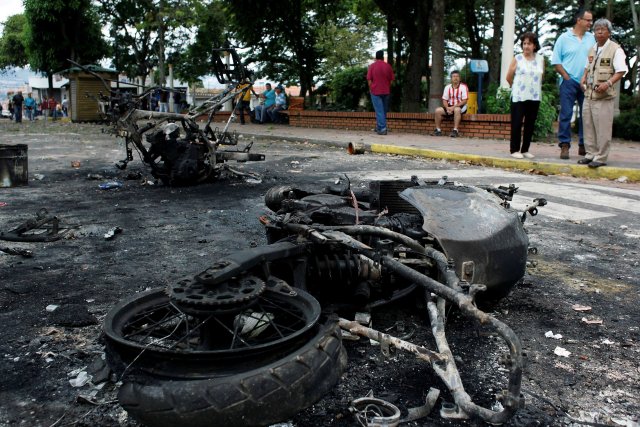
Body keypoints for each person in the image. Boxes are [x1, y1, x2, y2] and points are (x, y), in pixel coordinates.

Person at [578, 18, 627, 169]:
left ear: (609, 32)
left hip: (604, 97)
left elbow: (621, 70)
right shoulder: (593, 49)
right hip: (589, 95)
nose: (599, 32)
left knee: (603, 128)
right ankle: (590, 154)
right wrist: (583, 79)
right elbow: (587, 67)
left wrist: (608, 83)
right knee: (588, 126)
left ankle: (601, 157)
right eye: (597, 29)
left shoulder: (615, 49)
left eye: (602, 29)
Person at [551, 9, 595, 160]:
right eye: (588, 20)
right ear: (579, 20)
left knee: (586, 115)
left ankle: (584, 145)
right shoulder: (564, 38)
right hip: (568, 82)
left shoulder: (592, 39)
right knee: (566, 114)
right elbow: (556, 61)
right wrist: (566, 77)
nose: (590, 23)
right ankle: (564, 145)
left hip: (586, 82)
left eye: (591, 20)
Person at [506, 32, 544, 159]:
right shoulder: (517, 58)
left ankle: (525, 149)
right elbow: (509, 77)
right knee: (516, 123)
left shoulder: (540, 59)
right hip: (519, 96)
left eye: (529, 44)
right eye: (524, 43)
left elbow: (541, 76)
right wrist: (515, 87)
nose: (526, 46)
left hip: (534, 96)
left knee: (530, 124)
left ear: (534, 46)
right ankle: (514, 149)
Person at [367, 50, 394, 135]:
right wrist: (387, 86)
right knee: (383, 111)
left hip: (375, 91)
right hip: (386, 91)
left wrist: (371, 88)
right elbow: (392, 80)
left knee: (379, 111)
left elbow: (369, 79)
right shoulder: (388, 66)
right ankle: (380, 126)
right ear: (382, 57)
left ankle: (382, 129)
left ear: (376, 57)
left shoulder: (372, 66)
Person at [433, 70, 468, 137]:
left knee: (457, 110)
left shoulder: (463, 87)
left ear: (460, 78)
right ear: (451, 78)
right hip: (449, 106)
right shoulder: (447, 87)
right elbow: (444, 100)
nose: (455, 78)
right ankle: (438, 130)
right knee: (438, 110)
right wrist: (447, 108)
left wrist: (453, 107)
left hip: (461, 106)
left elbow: (465, 100)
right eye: (454, 76)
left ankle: (455, 130)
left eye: (457, 76)